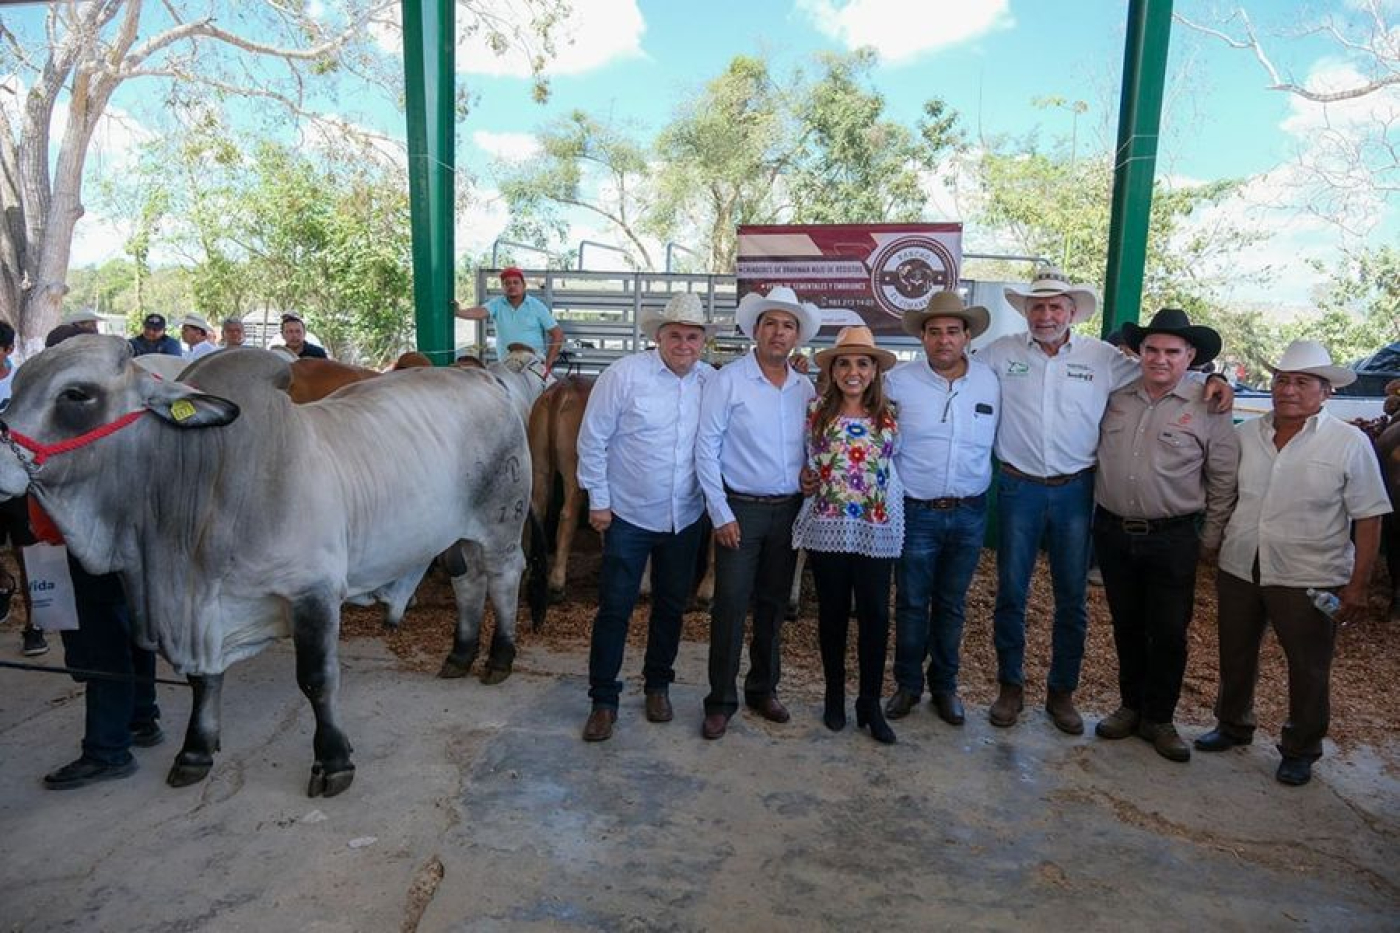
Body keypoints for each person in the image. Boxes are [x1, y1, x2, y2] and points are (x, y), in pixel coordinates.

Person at [976, 268, 1232, 734]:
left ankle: (1062, 692)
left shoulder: (1103, 358)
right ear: (1026, 312)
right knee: (1011, 593)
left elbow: (1165, 373)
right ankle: (1009, 687)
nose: (1047, 315)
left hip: (1077, 489)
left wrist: (1213, 379)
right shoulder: (999, 353)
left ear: (1073, 312)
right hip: (1018, 487)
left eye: (1057, 307)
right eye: (1038, 306)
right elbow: (957, 369)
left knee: (1071, 596)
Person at [1197, 340, 1390, 787]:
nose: (1288, 390)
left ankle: (1301, 748)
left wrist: (1358, 586)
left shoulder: (1348, 443)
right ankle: (1232, 725)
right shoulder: (1246, 434)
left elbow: (1369, 517)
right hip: (1242, 564)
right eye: (1282, 380)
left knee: (1308, 665)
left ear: (1326, 392)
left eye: (1302, 382)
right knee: (1235, 653)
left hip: (1311, 571)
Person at [1092, 309, 1239, 762]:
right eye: (1151, 349)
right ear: (1138, 351)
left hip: (1173, 536)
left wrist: (1209, 538)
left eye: (1172, 351)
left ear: (1190, 356)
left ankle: (1160, 718)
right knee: (1126, 624)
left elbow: (1223, 477)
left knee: (1170, 630)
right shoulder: (1114, 396)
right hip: (1114, 531)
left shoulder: (1209, 405)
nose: (1159, 359)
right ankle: (1130, 706)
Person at [576, 293, 716, 742]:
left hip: (685, 516)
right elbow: (593, 438)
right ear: (659, 336)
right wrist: (599, 500)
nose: (684, 344)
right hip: (630, 515)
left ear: (703, 342)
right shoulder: (624, 375)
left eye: (692, 336)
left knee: (672, 607)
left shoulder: (710, 383)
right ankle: (603, 699)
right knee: (615, 607)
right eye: (675, 335)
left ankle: (658, 685)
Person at [38, 323, 162, 789]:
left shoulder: (74, 419)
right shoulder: (124, 406)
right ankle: (141, 718)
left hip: (92, 543)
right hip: (126, 542)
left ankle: (107, 750)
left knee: (103, 646)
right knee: (130, 631)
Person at [695, 285, 819, 740]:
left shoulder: (804, 386)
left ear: (796, 337)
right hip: (741, 510)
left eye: (788, 326)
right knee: (729, 606)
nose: (779, 333)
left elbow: (812, 447)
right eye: (771, 324)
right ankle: (720, 700)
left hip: (787, 511)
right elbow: (705, 447)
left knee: (772, 606)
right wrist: (720, 512)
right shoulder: (729, 380)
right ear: (756, 330)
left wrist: (808, 476)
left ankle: (763, 688)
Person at [883, 290, 999, 727]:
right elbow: (851, 399)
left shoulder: (991, 381)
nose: (944, 340)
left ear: (967, 336)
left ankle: (945, 687)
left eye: (953, 331)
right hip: (916, 511)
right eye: (935, 332)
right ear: (923, 338)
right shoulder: (898, 382)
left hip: (970, 512)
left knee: (952, 603)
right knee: (912, 601)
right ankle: (908, 685)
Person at [792, 326, 902, 744]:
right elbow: (806, 460)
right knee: (833, 613)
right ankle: (834, 695)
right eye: (844, 363)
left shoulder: (889, 415)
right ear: (833, 370)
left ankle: (870, 702)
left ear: (874, 371)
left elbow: (892, 469)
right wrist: (804, 476)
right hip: (829, 525)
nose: (853, 372)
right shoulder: (816, 412)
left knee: (875, 614)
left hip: (874, 527)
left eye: (862, 363)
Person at [0, 320, 45, 657]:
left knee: (30, 557)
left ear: (8, 350)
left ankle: (35, 626)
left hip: (20, 485)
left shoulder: (24, 385)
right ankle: (3, 585)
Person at [454, 267, 564, 372]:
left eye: (516, 282)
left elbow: (557, 334)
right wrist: (459, 312)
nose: (512, 286)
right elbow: (480, 312)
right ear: (503, 287)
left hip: (533, 367)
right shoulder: (497, 304)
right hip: (506, 367)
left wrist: (548, 364)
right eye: (507, 283)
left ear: (524, 285)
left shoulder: (536, 306)